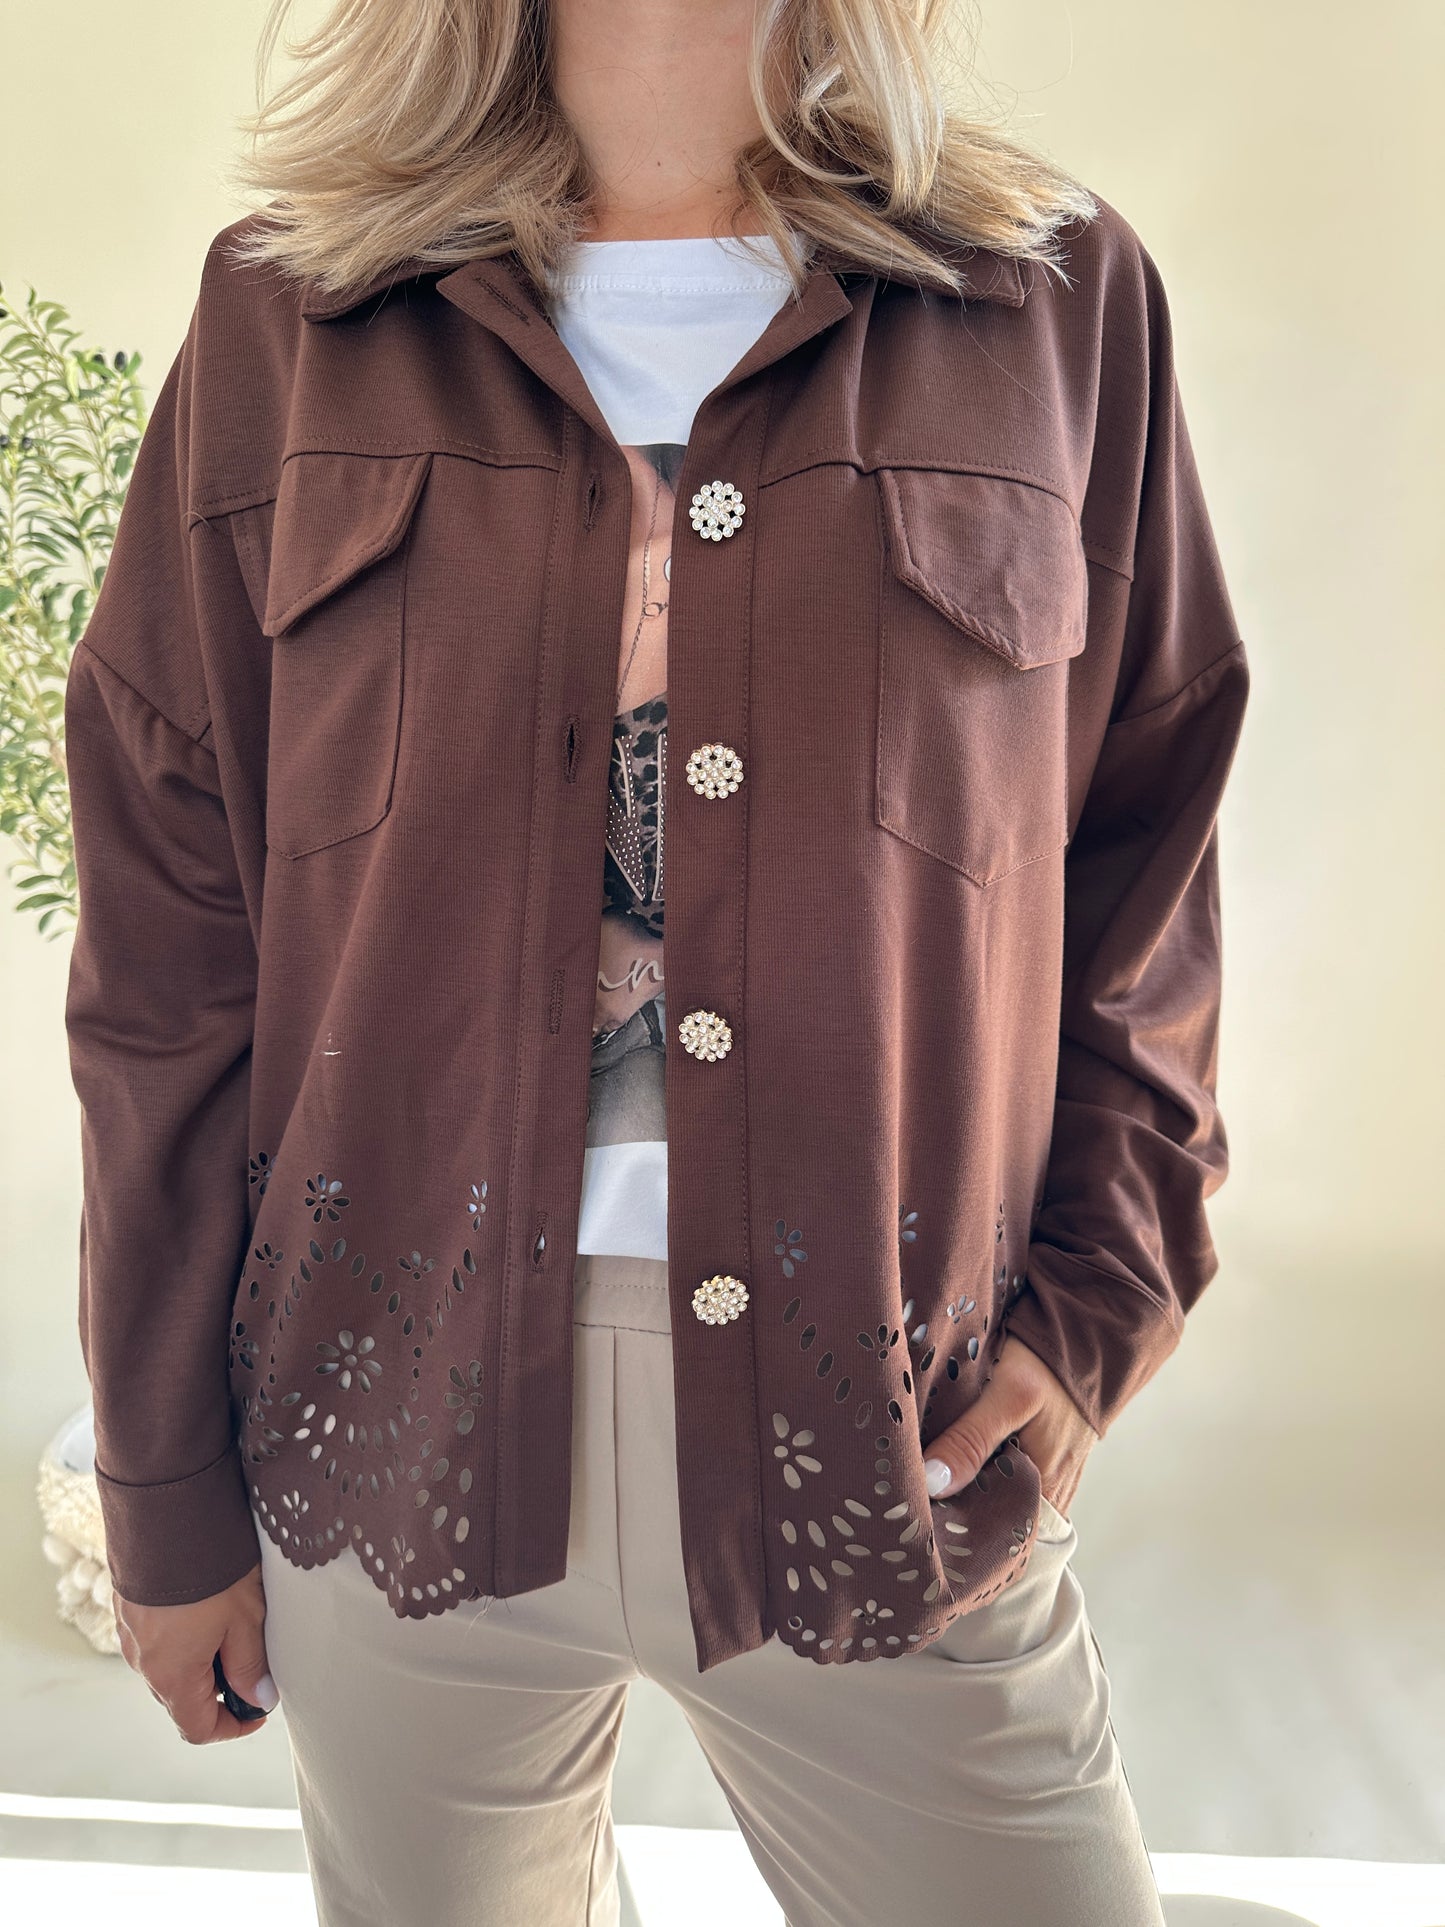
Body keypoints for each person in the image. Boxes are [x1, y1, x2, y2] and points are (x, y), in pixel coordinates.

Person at [60, 0, 1249, 1920]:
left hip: (884, 1432)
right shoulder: (293, 313)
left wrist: (1098, 1302)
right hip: (388, 1422)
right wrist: (162, 1484)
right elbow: (169, 947)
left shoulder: (1050, 301)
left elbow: (1145, 855)